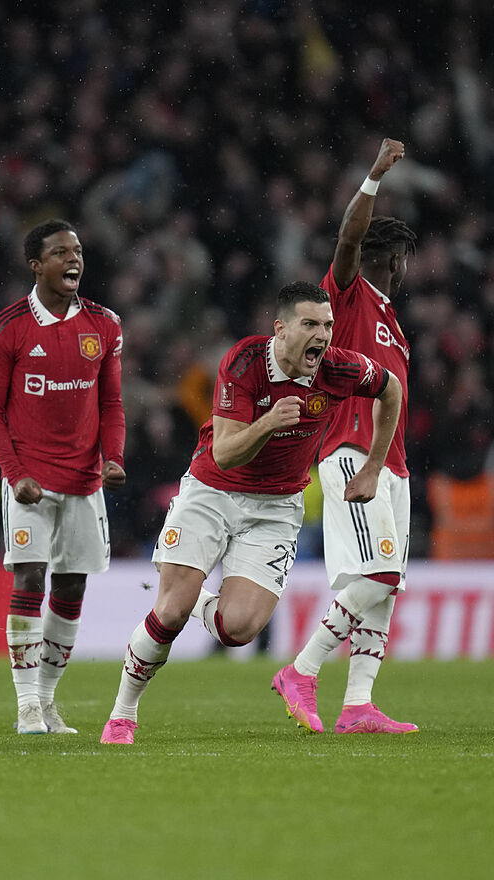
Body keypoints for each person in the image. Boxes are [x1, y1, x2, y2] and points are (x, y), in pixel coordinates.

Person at [100, 281, 403, 745]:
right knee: (169, 613)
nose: (321, 336)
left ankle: (196, 598)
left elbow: (391, 389)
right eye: (309, 325)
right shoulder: (244, 361)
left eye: (327, 325)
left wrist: (373, 467)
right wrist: (268, 421)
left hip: (277, 507)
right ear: (280, 329)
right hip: (213, 491)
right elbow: (224, 454)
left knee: (238, 630)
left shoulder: (339, 368)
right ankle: (123, 714)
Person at [271, 138, 420, 734]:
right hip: (353, 457)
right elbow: (347, 240)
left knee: (384, 588)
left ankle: (358, 705)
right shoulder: (350, 296)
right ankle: (300, 671)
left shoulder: (393, 323)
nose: (409, 267)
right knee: (379, 574)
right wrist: (374, 178)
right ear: (392, 259)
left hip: (394, 465)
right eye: (405, 257)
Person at [0, 219, 126, 735]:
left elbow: (110, 402)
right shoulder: (5, 328)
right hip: (30, 482)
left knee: (70, 587)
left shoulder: (105, 325)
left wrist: (114, 456)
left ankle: (47, 700)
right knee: (30, 578)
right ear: (36, 266)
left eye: (78, 250)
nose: (73, 259)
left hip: (85, 481)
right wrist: (14, 473)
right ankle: (25, 708)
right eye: (60, 252)